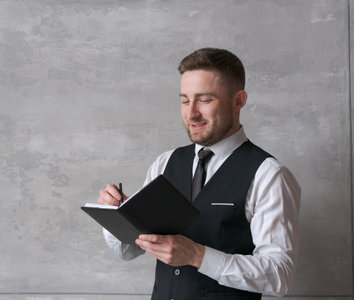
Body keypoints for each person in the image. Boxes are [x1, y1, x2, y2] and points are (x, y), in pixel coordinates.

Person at [97, 48, 300, 300]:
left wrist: (198, 256)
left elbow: (279, 276)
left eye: (204, 100)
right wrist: (117, 214)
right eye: (184, 100)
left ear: (239, 100)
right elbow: (127, 250)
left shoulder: (268, 174)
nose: (191, 113)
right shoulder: (164, 163)